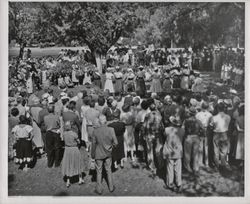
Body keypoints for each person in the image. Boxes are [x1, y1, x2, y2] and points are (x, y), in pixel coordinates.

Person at [91, 115, 118, 195]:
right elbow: (116, 143)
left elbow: (93, 145)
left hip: (98, 154)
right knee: (108, 170)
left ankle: (99, 189)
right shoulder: (111, 130)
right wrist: (111, 147)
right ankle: (111, 187)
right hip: (108, 153)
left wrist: (92, 155)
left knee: (99, 172)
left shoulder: (95, 131)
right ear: (106, 121)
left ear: (99, 121)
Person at [142, 103, 164, 177]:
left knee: (150, 151)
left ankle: (152, 166)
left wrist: (143, 134)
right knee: (158, 150)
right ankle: (160, 164)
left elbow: (144, 126)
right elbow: (161, 125)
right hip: (158, 135)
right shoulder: (159, 115)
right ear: (155, 108)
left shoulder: (147, 115)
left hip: (149, 135)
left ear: (150, 108)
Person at [163, 116, 184, 192]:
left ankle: (170, 183)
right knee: (178, 168)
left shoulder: (167, 130)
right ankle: (179, 183)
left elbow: (164, 136)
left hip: (169, 151)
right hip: (178, 151)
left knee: (169, 168)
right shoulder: (182, 130)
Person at [61, 121, 85, 188]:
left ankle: (68, 181)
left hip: (67, 150)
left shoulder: (64, 134)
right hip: (74, 149)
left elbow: (63, 141)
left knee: (68, 164)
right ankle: (80, 179)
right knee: (78, 163)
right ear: (70, 126)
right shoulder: (74, 134)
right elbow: (78, 141)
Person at [210, 102, 231, 170]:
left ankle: (217, 165)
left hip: (216, 134)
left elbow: (211, 126)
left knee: (216, 150)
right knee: (224, 150)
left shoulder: (214, 117)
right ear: (224, 108)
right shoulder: (228, 117)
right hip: (224, 133)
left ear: (218, 108)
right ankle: (223, 164)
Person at [183, 107, 204, 174]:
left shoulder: (186, 121)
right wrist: (200, 135)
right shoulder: (198, 121)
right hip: (196, 137)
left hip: (188, 137)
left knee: (187, 153)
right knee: (195, 153)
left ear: (189, 113)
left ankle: (188, 167)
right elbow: (203, 129)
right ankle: (195, 168)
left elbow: (183, 129)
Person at [195, 101, 213, 167]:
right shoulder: (210, 114)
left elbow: (196, 123)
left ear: (202, 106)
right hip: (207, 130)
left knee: (200, 147)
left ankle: (200, 162)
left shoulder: (198, 114)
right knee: (206, 147)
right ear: (207, 107)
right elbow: (211, 124)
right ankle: (206, 163)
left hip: (200, 130)